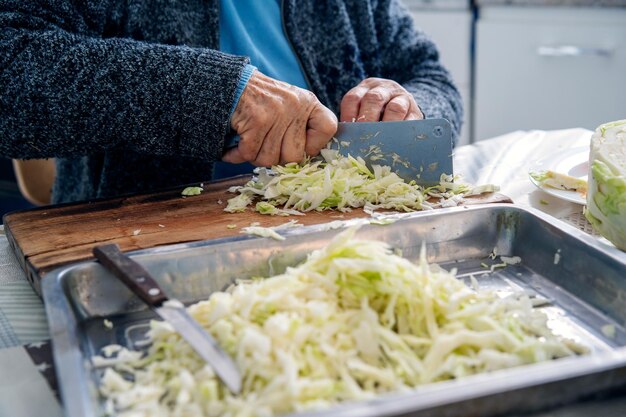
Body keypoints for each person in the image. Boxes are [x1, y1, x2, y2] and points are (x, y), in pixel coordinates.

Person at [0, 0, 462, 205]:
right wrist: (221, 94)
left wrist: (407, 108)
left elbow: (429, 76)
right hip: (143, 252)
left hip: (334, 238)